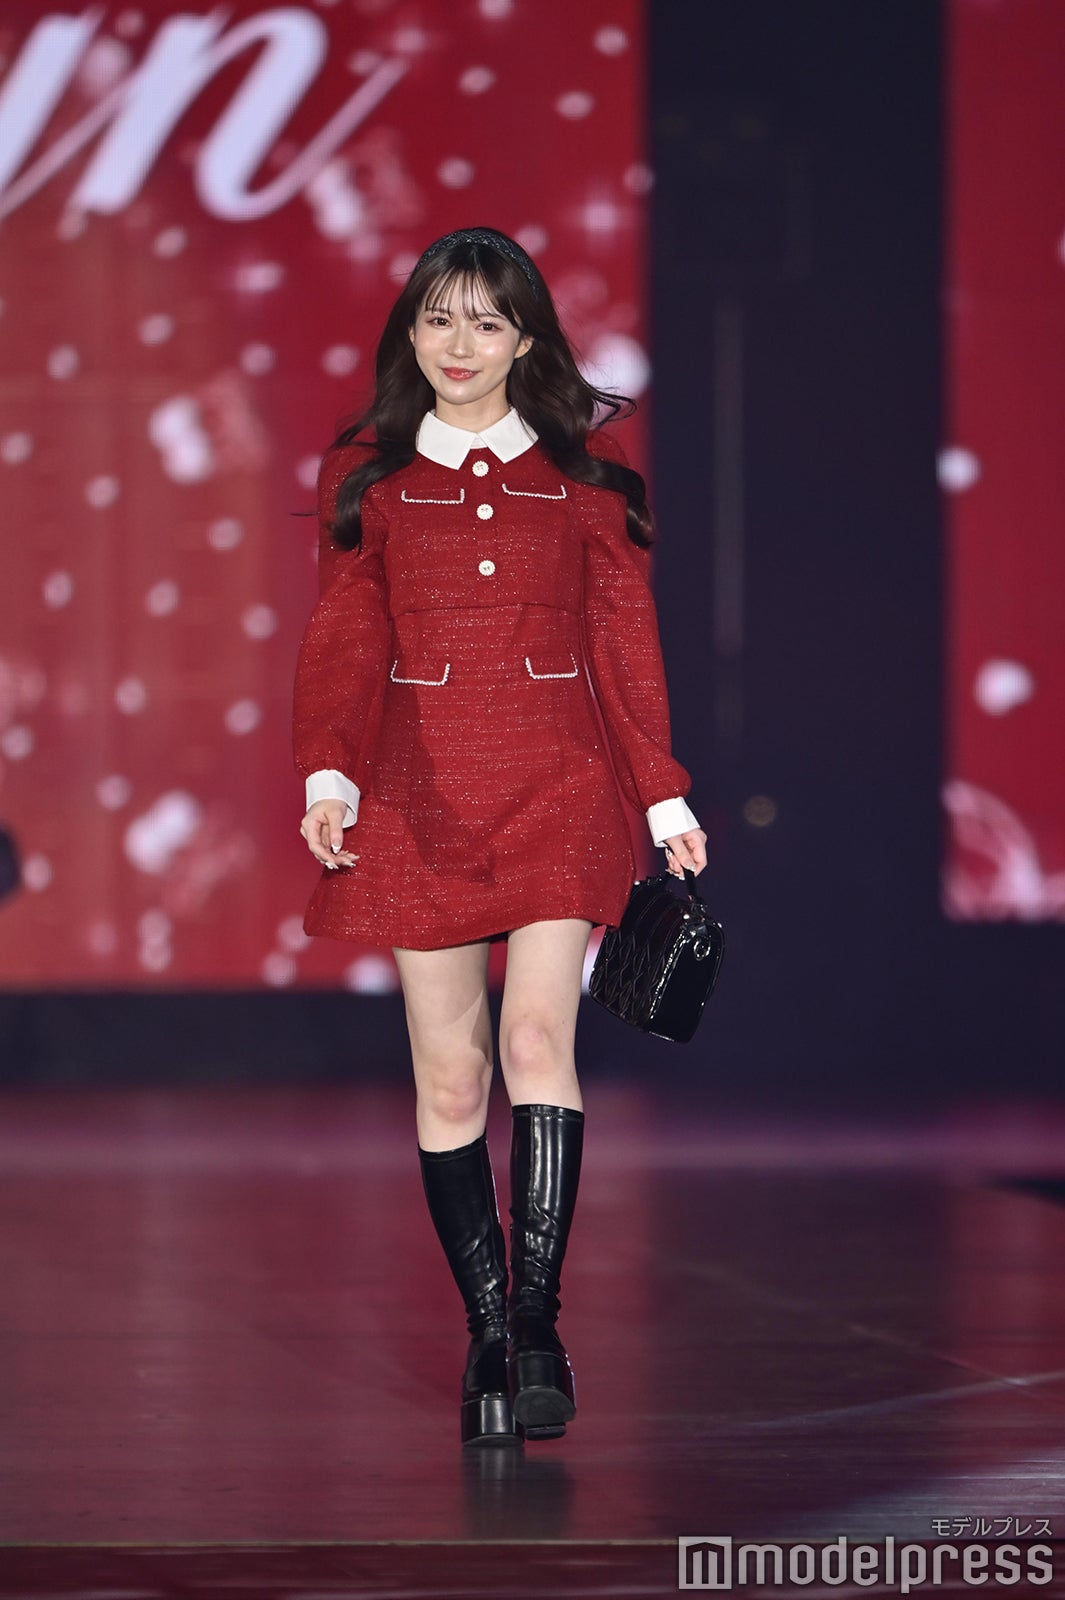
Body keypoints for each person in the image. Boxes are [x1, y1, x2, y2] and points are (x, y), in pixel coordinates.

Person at [292, 226, 707, 1448]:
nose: (459, 344)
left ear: (526, 338)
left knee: (534, 1039)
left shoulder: (585, 470)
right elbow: (344, 634)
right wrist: (329, 772)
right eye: (438, 318)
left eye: (486, 321)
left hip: (557, 786)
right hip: (413, 794)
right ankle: (483, 1325)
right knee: (450, 1074)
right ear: (409, 333)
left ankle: (536, 1325)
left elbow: (623, 640)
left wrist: (662, 794)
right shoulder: (367, 471)